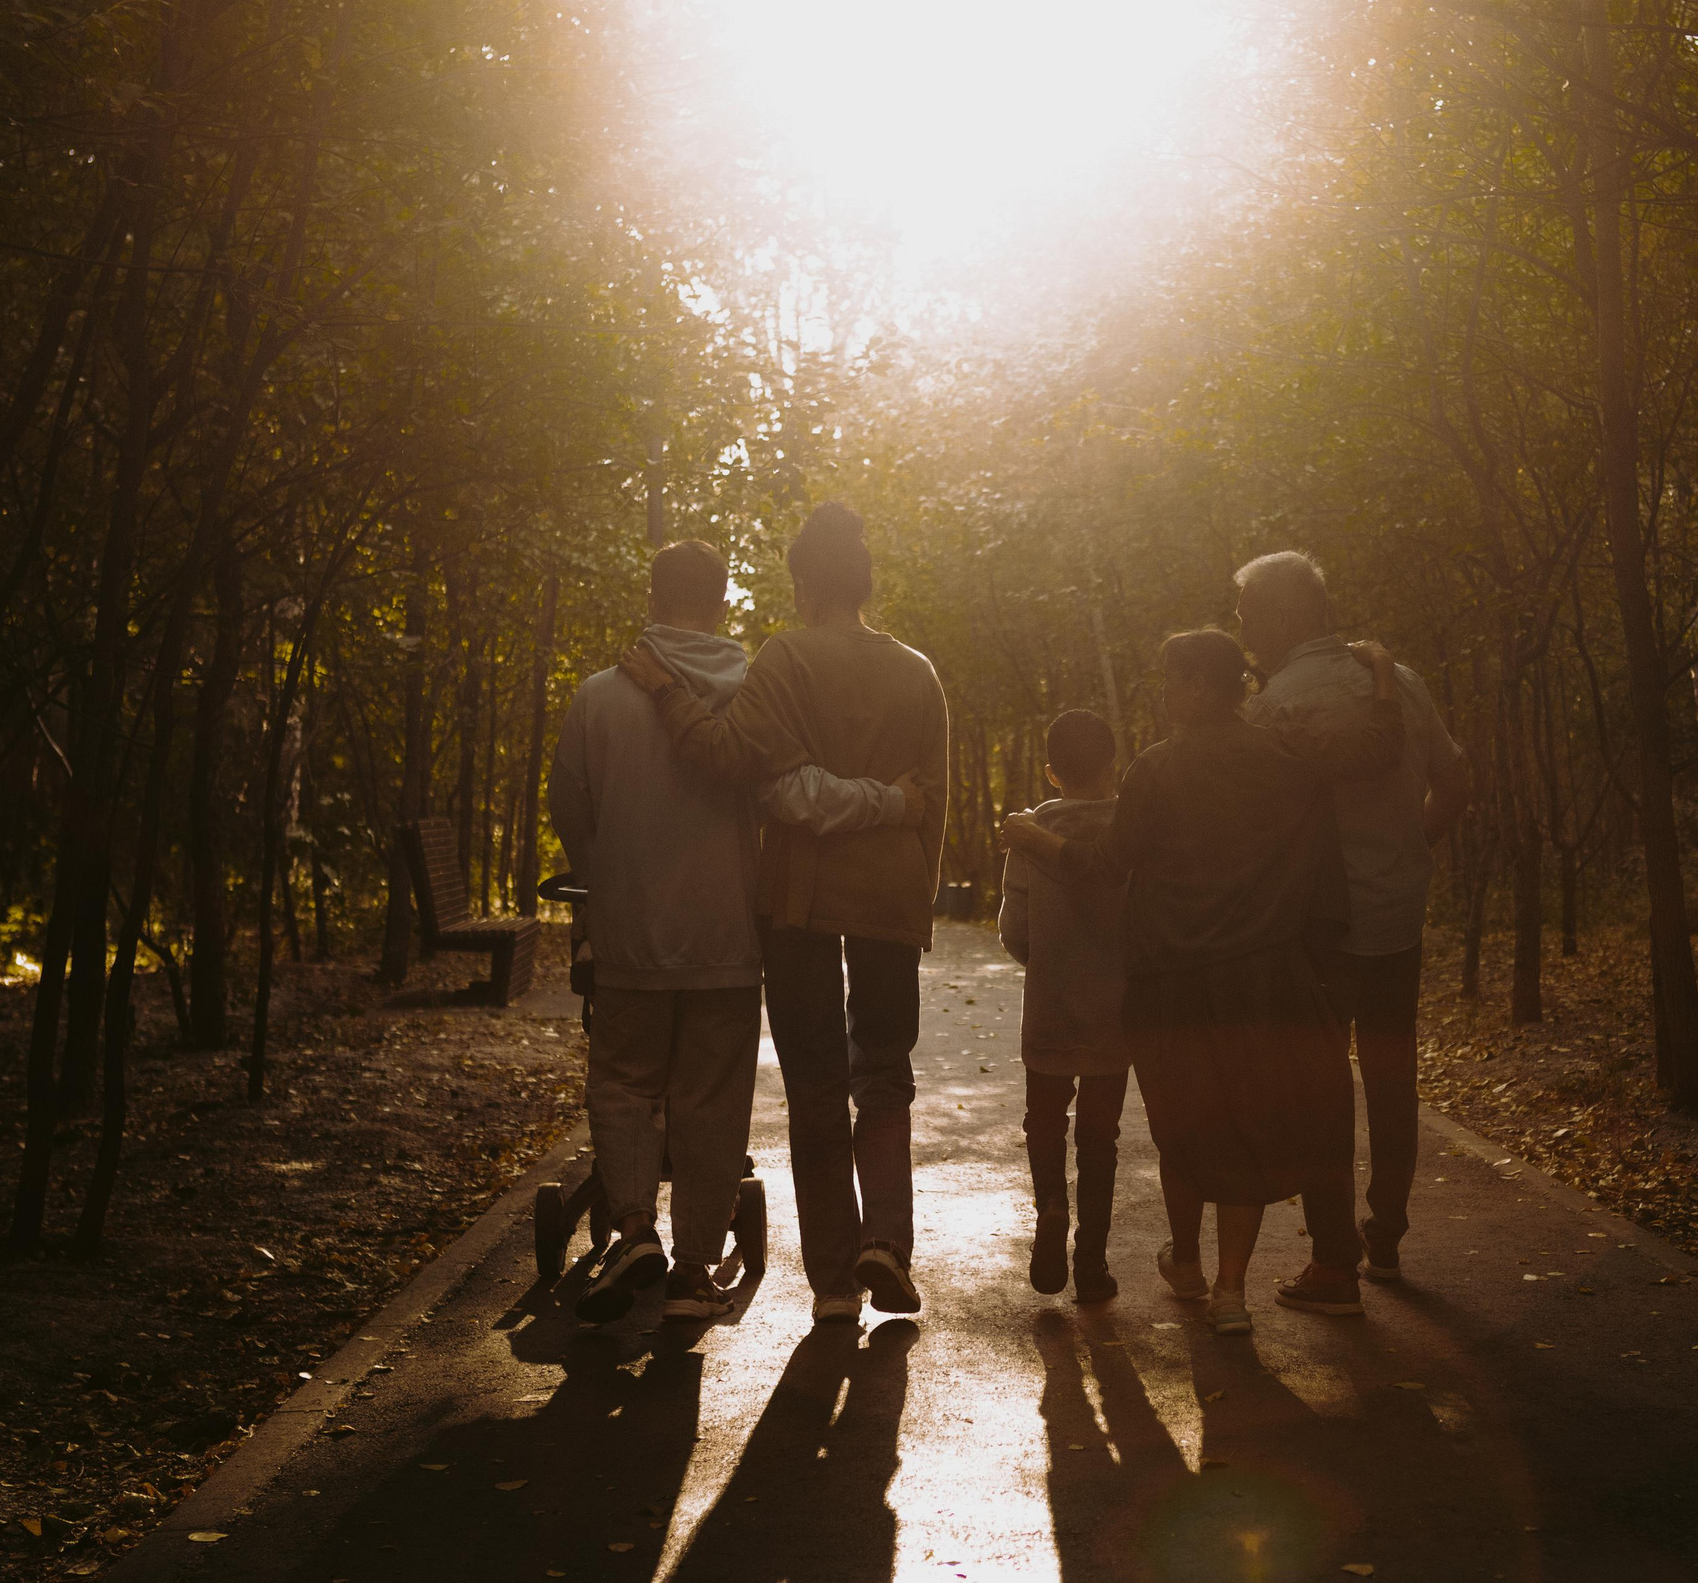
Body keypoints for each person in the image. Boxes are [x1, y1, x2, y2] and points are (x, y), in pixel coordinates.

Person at [549, 540, 917, 1325]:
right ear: (720, 603)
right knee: (713, 1099)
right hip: (729, 934)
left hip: (630, 936)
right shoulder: (759, 689)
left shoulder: (598, 698)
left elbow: (572, 812)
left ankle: (636, 1229)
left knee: (624, 1080)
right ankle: (692, 1270)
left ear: (652, 597)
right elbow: (775, 788)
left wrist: (607, 881)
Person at [1001, 630, 1402, 1336]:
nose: (1163, 694)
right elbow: (1375, 750)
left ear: (1198, 687)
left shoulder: (1161, 769)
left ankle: (1185, 1260)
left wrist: (1038, 840)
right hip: (1264, 977)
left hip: (1174, 984)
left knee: (1187, 1127)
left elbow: (1110, 863)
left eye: (1170, 680)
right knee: (1242, 1123)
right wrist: (1386, 680)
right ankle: (1229, 1290)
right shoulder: (1285, 760)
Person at [1232, 552, 1467, 1296]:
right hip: (1398, 919)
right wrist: (1405, 852)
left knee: (1317, 1086)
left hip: (1319, 934)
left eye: (1246, 617)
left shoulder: (1269, 709)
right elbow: (1458, 784)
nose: (1241, 634)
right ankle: (1387, 1233)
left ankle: (1334, 1260)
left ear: (1280, 615)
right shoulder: (1397, 683)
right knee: (1394, 1077)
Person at [996, 709, 1129, 1303]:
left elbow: (1014, 929)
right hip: (1115, 1010)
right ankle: (1092, 1262)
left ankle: (1051, 1204)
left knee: (1044, 1119)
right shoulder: (1130, 828)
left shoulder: (1029, 833)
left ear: (1052, 774)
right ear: (1114, 764)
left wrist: (1046, 961)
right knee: (1101, 1135)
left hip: (1049, 1005)